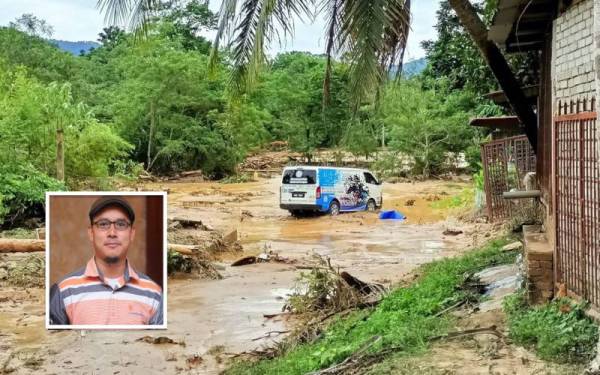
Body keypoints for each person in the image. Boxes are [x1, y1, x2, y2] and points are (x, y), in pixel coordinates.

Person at [49, 197, 163, 326]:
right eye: (103, 224)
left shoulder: (154, 295)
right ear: (91, 233)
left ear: (131, 234)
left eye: (121, 224)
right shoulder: (64, 291)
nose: (112, 233)